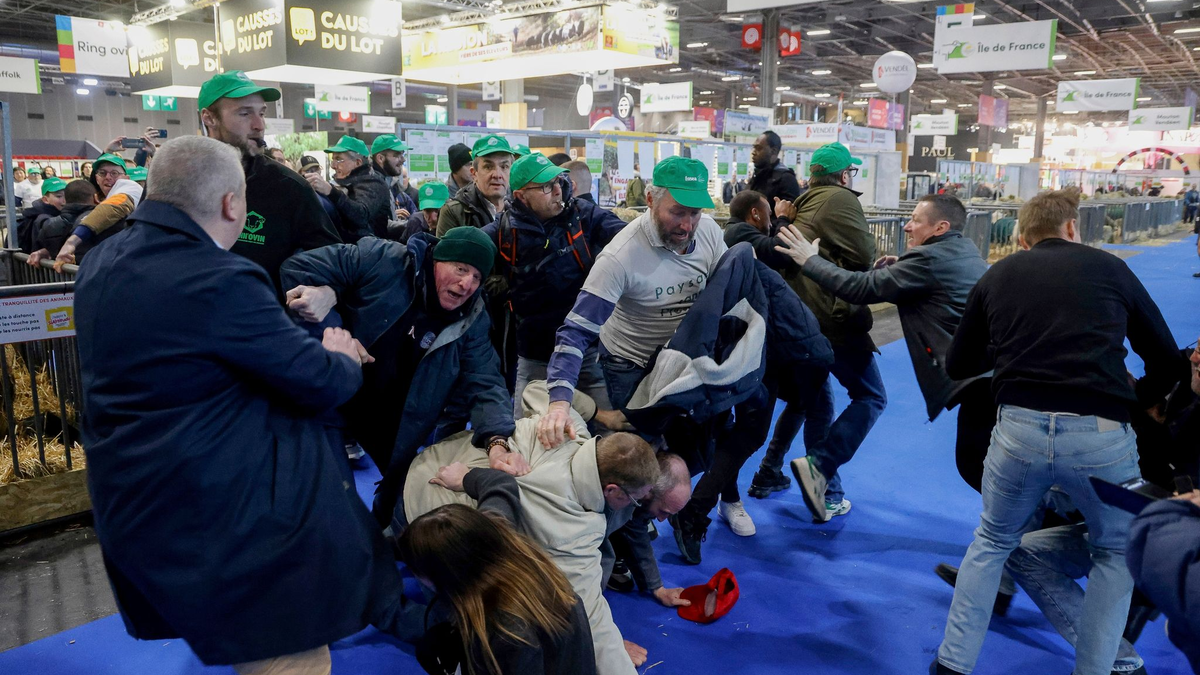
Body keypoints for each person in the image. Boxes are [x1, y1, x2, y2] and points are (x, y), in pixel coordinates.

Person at [75, 135, 415, 675]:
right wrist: (340, 353)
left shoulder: (103, 260)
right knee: (293, 659)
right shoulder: (218, 277)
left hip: (138, 505)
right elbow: (319, 383)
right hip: (228, 517)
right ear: (233, 204)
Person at [932, 189, 1187, 675]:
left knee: (990, 542)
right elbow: (1169, 361)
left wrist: (1008, 353)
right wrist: (1136, 398)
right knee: (1113, 553)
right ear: (1073, 228)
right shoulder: (1111, 268)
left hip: (1018, 431)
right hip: (1100, 433)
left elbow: (960, 362)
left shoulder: (998, 274)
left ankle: (952, 664)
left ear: (1023, 239)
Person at [538, 157, 773, 556]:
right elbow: (575, 331)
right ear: (649, 199)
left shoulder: (711, 234)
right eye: (676, 212)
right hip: (631, 365)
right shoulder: (619, 258)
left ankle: (678, 509)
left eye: (694, 213)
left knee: (699, 450)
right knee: (635, 465)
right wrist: (559, 400)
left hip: (685, 361)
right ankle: (620, 547)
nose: (687, 225)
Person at [279, 226, 519, 528]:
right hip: (335, 393)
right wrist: (335, 322)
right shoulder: (383, 258)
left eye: (477, 277)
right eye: (460, 269)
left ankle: (381, 538)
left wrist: (497, 441)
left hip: (400, 418)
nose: (466, 284)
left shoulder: (473, 318)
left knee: (393, 506)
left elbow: (486, 381)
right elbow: (296, 269)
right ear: (436, 260)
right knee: (328, 502)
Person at [403, 401, 660, 675]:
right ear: (612, 491)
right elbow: (594, 619)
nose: (637, 506)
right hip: (432, 503)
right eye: (635, 499)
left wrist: (569, 408)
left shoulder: (563, 429)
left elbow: (536, 389)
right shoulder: (566, 533)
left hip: (441, 462)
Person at [774, 194, 991, 490]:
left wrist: (809, 260)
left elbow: (860, 287)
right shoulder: (964, 249)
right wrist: (901, 267)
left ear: (940, 227)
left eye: (915, 220)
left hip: (981, 382)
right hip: (990, 373)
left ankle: (1034, 529)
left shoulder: (927, 260)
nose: (907, 226)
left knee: (977, 465)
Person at [769, 142, 887, 522]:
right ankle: (820, 468)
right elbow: (864, 255)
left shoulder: (802, 203)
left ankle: (826, 493)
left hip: (799, 321)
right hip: (832, 319)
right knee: (871, 396)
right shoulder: (840, 199)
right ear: (843, 174)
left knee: (819, 406)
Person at [482, 152, 626, 417]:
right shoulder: (504, 230)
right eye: (546, 186)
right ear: (521, 196)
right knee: (530, 436)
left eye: (558, 181)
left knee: (609, 435)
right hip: (535, 355)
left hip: (587, 350)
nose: (558, 190)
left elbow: (629, 238)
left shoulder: (584, 216)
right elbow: (466, 247)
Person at [397, 504, 598, 675]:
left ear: (448, 576)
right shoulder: (529, 567)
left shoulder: (504, 633)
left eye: (417, 571)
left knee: (431, 649)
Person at [195, 71, 342, 298]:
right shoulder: (178, 179)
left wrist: (328, 294)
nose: (259, 124)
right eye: (245, 113)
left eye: (262, 113)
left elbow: (336, 262)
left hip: (262, 325)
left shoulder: (289, 187)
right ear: (209, 118)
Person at [47, 153, 143, 269]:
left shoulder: (130, 187)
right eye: (102, 173)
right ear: (97, 178)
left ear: (126, 178)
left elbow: (113, 208)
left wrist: (71, 243)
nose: (108, 177)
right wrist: (48, 251)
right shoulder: (101, 199)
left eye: (114, 173)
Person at [306, 134, 391, 243]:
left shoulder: (373, 183)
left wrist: (331, 192)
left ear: (358, 162)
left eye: (339, 159)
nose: (333, 165)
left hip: (367, 253)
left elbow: (360, 216)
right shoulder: (344, 183)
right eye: (333, 159)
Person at [437, 135, 518, 237]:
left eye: (504, 167)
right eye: (488, 167)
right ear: (474, 173)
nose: (497, 174)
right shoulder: (454, 213)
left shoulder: (518, 211)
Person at [30, 179, 95, 264]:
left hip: (56, 273)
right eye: (58, 196)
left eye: (62, 196)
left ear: (66, 199)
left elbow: (37, 250)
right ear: (95, 197)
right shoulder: (98, 220)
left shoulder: (49, 224)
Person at [749, 130, 801, 223]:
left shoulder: (786, 179)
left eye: (758, 148)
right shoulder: (757, 176)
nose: (753, 152)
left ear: (773, 151)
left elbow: (788, 216)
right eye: (753, 148)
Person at [370, 133, 416, 220]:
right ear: (380, 158)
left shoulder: (392, 185)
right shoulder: (369, 187)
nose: (403, 160)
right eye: (397, 155)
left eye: (402, 154)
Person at [16, 176, 65, 253]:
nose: (64, 200)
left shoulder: (37, 214)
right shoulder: (44, 220)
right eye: (59, 196)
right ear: (45, 199)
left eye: (67, 195)